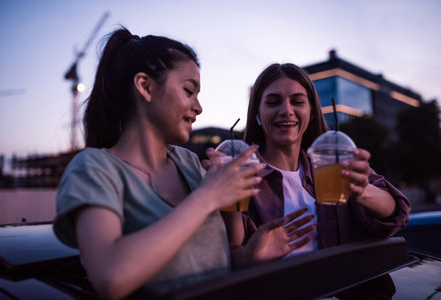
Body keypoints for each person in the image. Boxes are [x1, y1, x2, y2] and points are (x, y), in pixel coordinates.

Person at [53, 28, 315, 300]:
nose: (199, 107)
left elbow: (212, 263)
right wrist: (208, 196)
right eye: (189, 91)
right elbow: (111, 278)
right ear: (145, 87)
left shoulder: (189, 163)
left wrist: (248, 254)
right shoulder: (94, 168)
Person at [213, 63, 411, 299]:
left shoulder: (333, 163)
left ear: (312, 111)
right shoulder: (241, 174)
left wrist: (363, 191)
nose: (286, 110)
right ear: (257, 113)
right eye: (273, 102)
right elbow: (228, 259)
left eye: (297, 101)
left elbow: (397, 214)